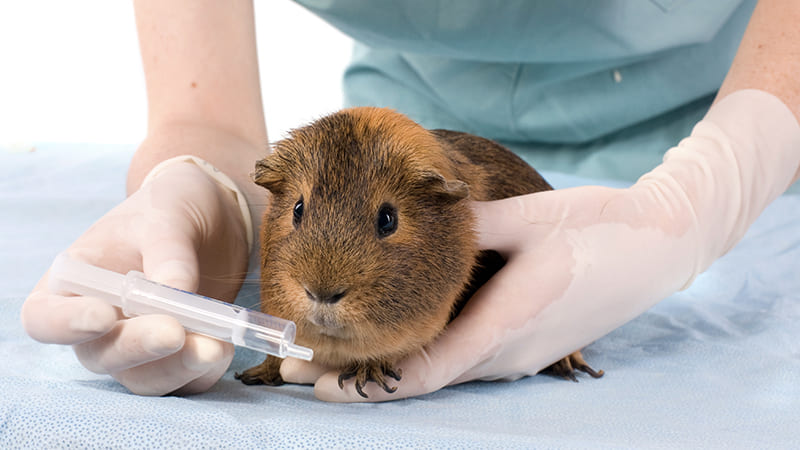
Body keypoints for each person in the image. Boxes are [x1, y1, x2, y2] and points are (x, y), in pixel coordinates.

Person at [21, 0, 800, 401]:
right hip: (398, 109)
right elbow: (211, 115)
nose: (326, 276)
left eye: (386, 228)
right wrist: (206, 180)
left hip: (739, 100)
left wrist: (718, 181)